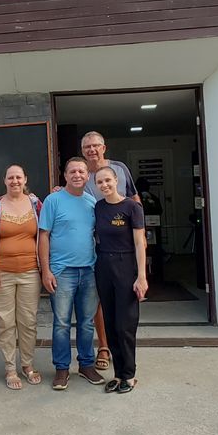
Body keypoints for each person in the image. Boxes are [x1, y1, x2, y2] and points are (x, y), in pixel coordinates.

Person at [38, 156, 103, 391]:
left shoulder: (92, 202)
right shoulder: (53, 200)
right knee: (62, 323)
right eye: (72, 171)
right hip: (62, 271)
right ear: (65, 176)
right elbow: (43, 236)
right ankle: (62, 369)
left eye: (81, 172)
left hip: (89, 270)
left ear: (88, 176)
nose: (77, 175)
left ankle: (86, 365)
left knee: (86, 323)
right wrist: (46, 271)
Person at [0, 165, 43, 390]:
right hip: (1, 273)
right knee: (4, 322)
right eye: (10, 177)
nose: (15, 181)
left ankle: (27, 364)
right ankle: (10, 368)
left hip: (30, 272)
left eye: (19, 177)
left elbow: (45, 235)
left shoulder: (36, 205)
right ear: (4, 180)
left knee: (28, 321)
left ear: (25, 180)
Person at [80, 131, 140, 371]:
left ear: (104, 147)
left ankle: (125, 361)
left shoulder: (120, 168)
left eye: (95, 146)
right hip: (97, 248)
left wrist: (139, 231)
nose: (92, 150)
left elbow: (134, 198)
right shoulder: (81, 173)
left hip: (124, 247)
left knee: (124, 307)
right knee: (100, 302)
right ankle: (104, 347)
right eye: (87, 147)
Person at [93, 165, 148, 394]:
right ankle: (117, 374)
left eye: (108, 180)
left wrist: (141, 276)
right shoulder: (98, 207)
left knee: (126, 324)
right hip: (103, 265)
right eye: (100, 182)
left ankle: (130, 374)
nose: (104, 185)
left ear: (117, 180)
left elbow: (139, 243)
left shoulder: (132, 207)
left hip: (126, 266)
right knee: (111, 322)